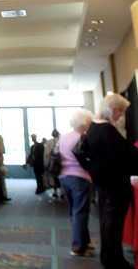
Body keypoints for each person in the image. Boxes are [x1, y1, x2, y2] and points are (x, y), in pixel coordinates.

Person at [85, 93, 138, 269]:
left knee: (107, 223)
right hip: (115, 185)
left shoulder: (93, 127)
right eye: (120, 111)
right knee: (113, 225)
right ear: (112, 109)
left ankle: (108, 258)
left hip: (103, 184)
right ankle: (114, 260)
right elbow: (126, 156)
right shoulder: (107, 130)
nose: (121, 116)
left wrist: (93, 172)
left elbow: (82, 153)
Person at [58, 109, 94, 258]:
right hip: (80, 177)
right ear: (84, 122)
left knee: (75, 212)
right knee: (80, 212)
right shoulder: (83, 138)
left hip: (64, 177)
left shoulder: (64, 137)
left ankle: (85, 242)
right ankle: (78, 247)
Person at [44, 129, 61, 199]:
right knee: (61, 177)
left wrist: (46, 164)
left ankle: (55, 192)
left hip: (52, 163)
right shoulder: (62, 141)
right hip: (61, 162)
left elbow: (46, 154)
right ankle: (62, 192)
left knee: (54, 177)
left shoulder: (49, 142)